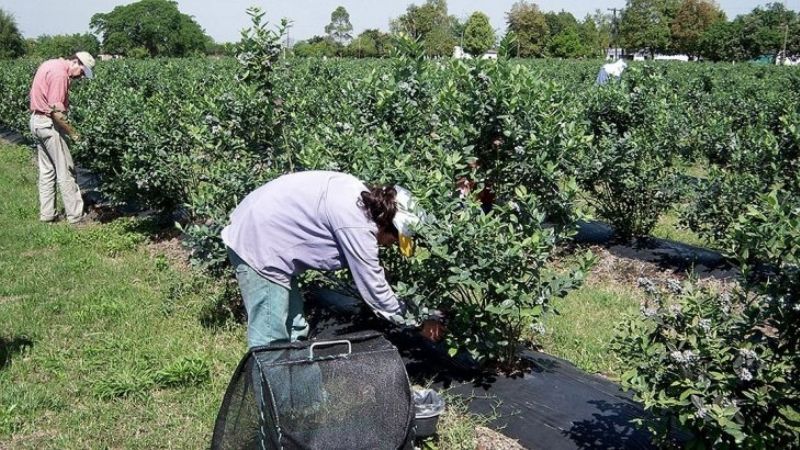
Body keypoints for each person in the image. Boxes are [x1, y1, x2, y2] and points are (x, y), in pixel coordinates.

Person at [222, 171, 445, 349]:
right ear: (387, 225)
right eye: (394, 240)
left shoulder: (361, 198)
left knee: (295, 328)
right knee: (271, 339)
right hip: (259, 240)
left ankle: (298, 397)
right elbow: (377, 295)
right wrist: (419, 323)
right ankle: (271, 404)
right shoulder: (356, 226)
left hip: (267, 226)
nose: (390, 245)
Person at [29, 51, 96, 225]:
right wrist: (74, 133)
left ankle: (47, 214)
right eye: (82, 72)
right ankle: (75, 217)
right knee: (66, 169)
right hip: (48, 125)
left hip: (36, 122)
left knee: (47, 170)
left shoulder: (50, 63)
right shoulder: (60, 75)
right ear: (76, 62)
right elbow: (56, 112)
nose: (81, 77)